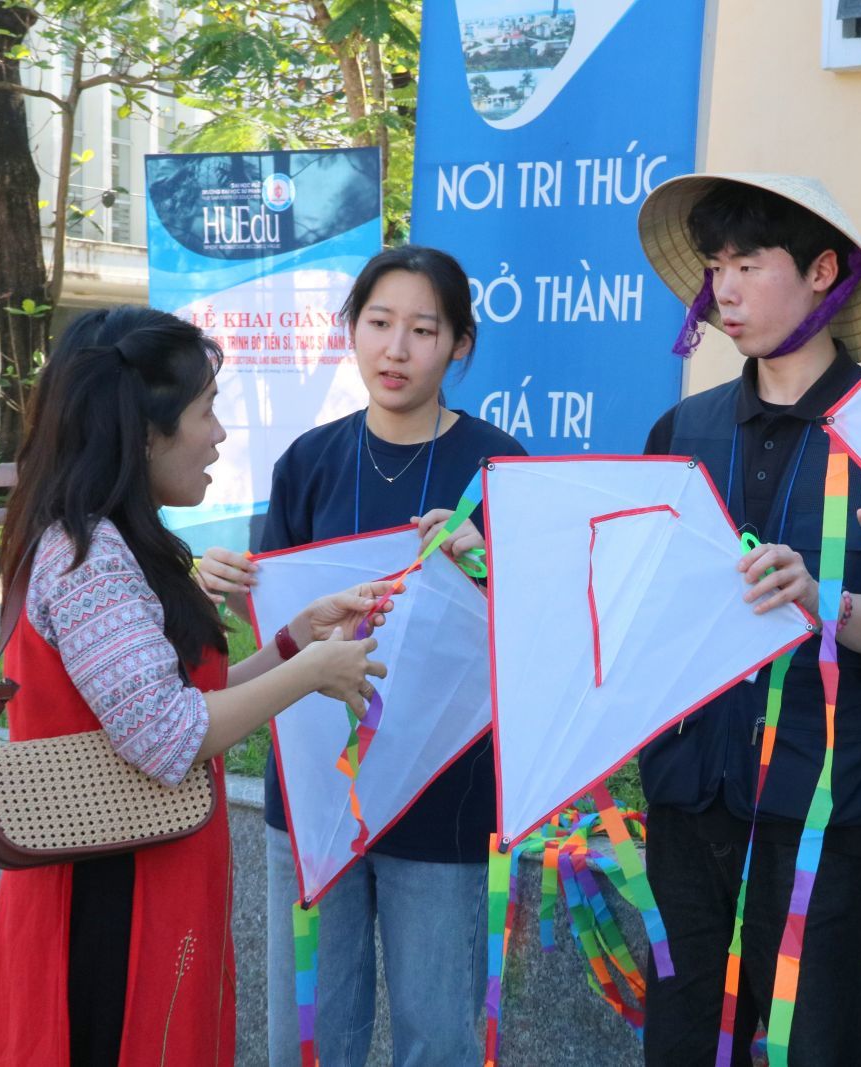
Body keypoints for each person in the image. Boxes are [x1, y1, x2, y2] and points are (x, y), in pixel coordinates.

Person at [0, 306, 388, 1067]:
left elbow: (168, 701)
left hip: (142, 870)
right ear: (144, 430)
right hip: (108, 903)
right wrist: (308, 673)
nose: (220, 435)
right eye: (206, 410)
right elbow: (170, 735)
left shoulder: (115, 538)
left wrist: (296, 639)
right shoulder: (88, 555)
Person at [632, 173, 861, 1066]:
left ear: (821, 273)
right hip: (690, 791)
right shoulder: (683, 430)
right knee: (683, 1040)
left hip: (822, 804)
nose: (723, 289)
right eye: (715, 267)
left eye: (749, 264)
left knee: (818, 1044)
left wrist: (821, 600)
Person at [198, 245, 526, 1066]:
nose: (396, 348)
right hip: (312, 792)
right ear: (351, 330)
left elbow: (533, 632)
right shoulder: (307, 461)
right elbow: (275, 626)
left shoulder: (499, 466)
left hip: (443, 794)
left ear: (460, 344)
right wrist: (223, 581)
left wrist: (481, 561)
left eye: (423, 328)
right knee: (310, 1034)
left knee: (437, 1035)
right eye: (379, 323)